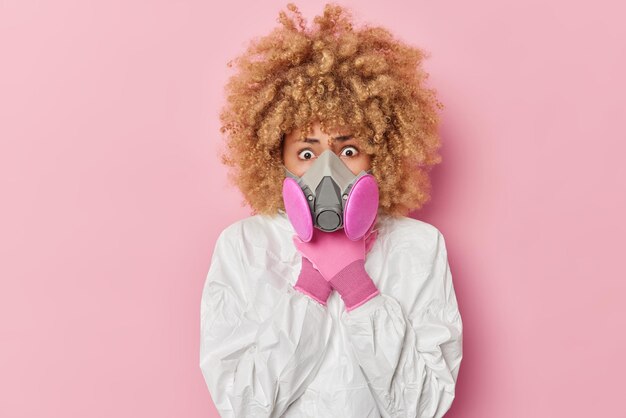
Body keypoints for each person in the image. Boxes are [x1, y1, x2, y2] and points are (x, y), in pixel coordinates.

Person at [199, 3, 463, 417]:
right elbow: (243, 407)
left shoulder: (419, 246)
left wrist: (358, 287)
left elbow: (423, 406)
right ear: (275, 158)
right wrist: (310, 289)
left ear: (381, 155)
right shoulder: (245, 246)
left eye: (349, 150)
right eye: (307, 152)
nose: (328, 170)